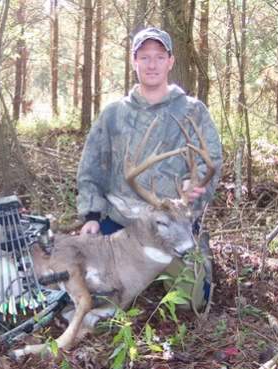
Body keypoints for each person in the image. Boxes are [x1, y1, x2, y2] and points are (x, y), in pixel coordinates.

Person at [76, 27, 223, 312]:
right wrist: (92, 215)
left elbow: (211, 161)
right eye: (144, 57)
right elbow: (91, 167)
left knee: (193, 302)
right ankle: (139, 273)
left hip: (171, 223)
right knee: (94, 294)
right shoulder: (114, 113)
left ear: (170, 61)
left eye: (158, 57)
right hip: (122, 222)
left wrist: (193, 188)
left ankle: (162, 270)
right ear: (134, 62)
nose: (152, 64)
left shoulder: (193, 111)